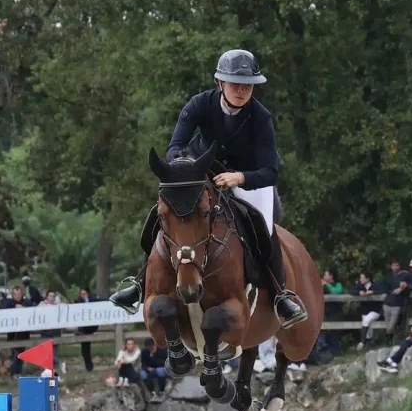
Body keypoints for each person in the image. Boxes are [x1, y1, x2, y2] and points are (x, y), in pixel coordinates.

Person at [108, 49, 307, 328]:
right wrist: (183, 168)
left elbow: (271, 170)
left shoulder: (261, 117)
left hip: (247, 179)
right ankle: (140, 283)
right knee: (163, 214)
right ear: (219, 84)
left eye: (247, 85)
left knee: (263, 227)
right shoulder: (199, 104)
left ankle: (280, 294)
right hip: (201, 174)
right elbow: (175, 147)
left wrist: (239, 178)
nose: (241, 90)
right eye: (234, 83)